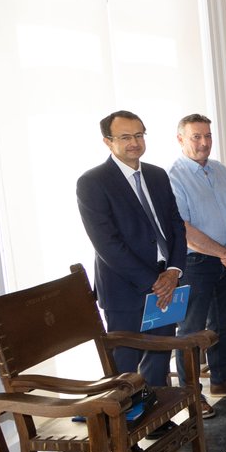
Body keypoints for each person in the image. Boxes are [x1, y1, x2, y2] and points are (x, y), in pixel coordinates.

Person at [77, 110, 187, 387]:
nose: (134, 143)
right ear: (107, 141)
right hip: (125, 289)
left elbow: (176, 226)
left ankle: (159, 422)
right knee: (124, 369)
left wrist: (173, 272)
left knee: (160, 358)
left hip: (167, 282)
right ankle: (121, 427)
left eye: (138, 135)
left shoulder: (157, 175)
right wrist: (154, 282)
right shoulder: (93, 182)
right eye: (125, 137)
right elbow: (107, 245)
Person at [168, 114, 226, 415]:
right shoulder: (174, 177)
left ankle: (222, 380)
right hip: (196, 264)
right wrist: (224, 251)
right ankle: (191, 395)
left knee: (221, 326)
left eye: (208, 135)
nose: (204, 142)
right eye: (196, 136)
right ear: (181, 139)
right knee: (191, 332)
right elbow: (183, 230)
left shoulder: (221, 171)